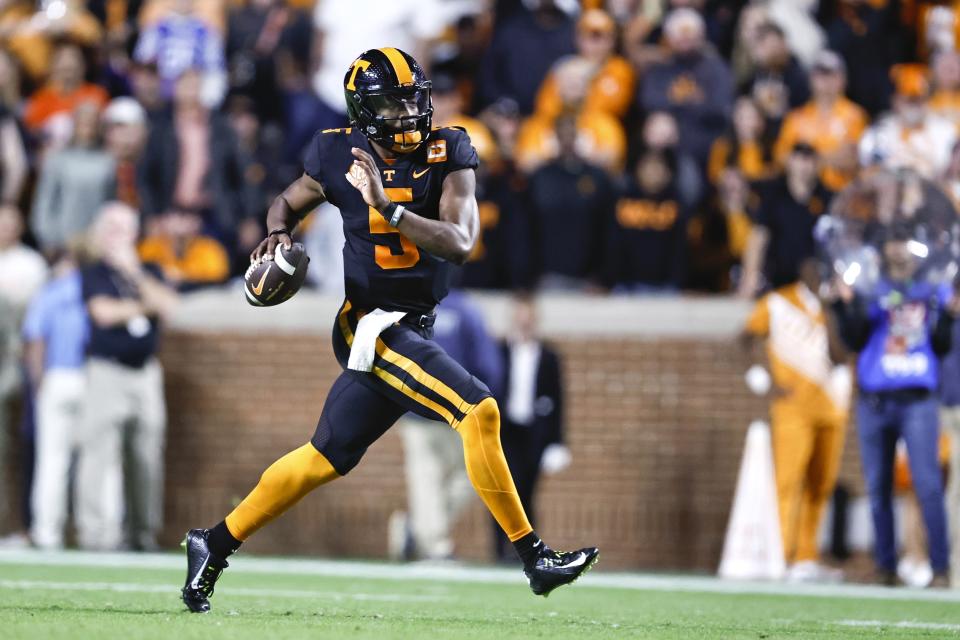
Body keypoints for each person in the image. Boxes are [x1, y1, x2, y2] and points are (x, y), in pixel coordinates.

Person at [180, 48, 598, 613]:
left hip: (411, 326)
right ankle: (534, 558)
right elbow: (287, 200)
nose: (406, 113)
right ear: (363, 110)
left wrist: (389, 207)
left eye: (412, 98)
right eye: (391, 103)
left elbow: (460, 242)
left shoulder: (450, 148)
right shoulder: (334, 151)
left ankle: (213, 542)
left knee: (322, 458)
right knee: (479, 411)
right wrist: (278, 233)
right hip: (369, 327)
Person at [832, 227, 957, 587]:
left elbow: (943, 345)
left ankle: (940, 568)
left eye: (904, 242)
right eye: (893, 242)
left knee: (928, 485)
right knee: (878, 486)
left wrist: (948, 315)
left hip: (917, 399)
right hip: (875, 399)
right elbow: (854, 339)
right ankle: (885, 566)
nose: (899, 250)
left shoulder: (932, 287)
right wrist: (843, 305)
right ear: (884, 248)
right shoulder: (870, 287)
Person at [76, 202, 178, 551]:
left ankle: (142, 535)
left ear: (134, 234)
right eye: (110, 228)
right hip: (106, 371)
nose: (115, 235)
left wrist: (134, 274)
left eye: (122, 228)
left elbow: (167, 305)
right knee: (97, 455)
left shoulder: (148, 268)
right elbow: (102, 314)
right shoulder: (94, 271)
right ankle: (94, 535)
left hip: (145, 373)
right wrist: (142, 306)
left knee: (147, 456)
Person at [742, 258, 851, 582]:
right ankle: (781, 555)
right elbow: (743, 339)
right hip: (793, 407)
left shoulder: (838, 305)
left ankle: (805, 557)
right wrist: (760, 378)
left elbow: (841, 355)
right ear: (803, 271)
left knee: (821, 484)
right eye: (813, 269)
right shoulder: (778, 302)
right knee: (787, 481)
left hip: (833, 405)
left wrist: (830, 311)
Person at [391, 290, 503, 561]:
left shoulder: (408, 304)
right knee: (469, 474)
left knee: (427, 478)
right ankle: (436, 546)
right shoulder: (466, 311)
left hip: (416, 406)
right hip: (452, 409)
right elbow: (489, 366)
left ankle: (418, 529)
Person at [493, 294, 569, 562]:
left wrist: (558, 442)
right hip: (506, 431)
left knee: (527, 491)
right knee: (504, 491)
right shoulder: (499, 350)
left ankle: (525, 551)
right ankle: (500, 550)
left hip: (534, 433)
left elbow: (558, 400)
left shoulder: (549, 356)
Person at [23, 246, 89, 550]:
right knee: (94, 459)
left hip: (58, 376)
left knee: (52, 459)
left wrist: (39, 383)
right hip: (90, 377)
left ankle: (47, 532)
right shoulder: (91, 287)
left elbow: (35, 340)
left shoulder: (50, 292)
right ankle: (97, 533)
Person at [637, 8, 733, 166]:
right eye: (679, 36)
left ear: (701, 35)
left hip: (704, 141)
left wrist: (678, 110)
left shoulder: (716, 68)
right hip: (664, 143)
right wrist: (691, 102)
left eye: (690, 35)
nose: (685, 41)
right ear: (669, 38)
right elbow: (648, 99)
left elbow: (720, 109)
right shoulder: (662, 67)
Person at [739, 142, 832, 298]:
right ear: (790, 162)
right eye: (800, 159)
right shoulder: (774, 195)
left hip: (815, 283)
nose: (804, 166)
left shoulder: (825, 198)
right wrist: (750, 277)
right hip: (778, 280)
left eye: (809, 160)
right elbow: (759, 236)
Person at [774, 50, 867, 192]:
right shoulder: (796, 117)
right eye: (819, 74)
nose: (825, 80)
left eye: (830, 74)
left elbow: (853, 160)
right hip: (805, 195)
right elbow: (781, 157)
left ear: (843, 79)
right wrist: (830, 157)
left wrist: (808, 158)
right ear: (811, 79)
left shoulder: (854, 115)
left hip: (841, 193)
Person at [31, 101, 116, 256]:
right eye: (83, 122)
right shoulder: (57, 159)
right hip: (61, 240)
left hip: (95, 241)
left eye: (92, 122)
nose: (87, 127)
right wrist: (48, 237)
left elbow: (109, 203)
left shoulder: (108, 161)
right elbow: (45, 201)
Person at [859, 64, 957, 181]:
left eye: (919, 99)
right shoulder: (879, 130)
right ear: (895, 100)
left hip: (935, 194)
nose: (914, 106)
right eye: (909, 99)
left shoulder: (946, 131)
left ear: (928, 100)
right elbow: (870, 171)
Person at [138, 206, 230, 290]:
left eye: (186, 218)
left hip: (202, 296)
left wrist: (183, 276)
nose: (181, 225)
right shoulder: (153, 245)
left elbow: (217, 278)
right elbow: (139, 268)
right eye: (176, 217)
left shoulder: (210, 248)